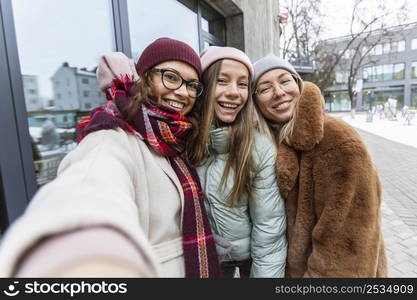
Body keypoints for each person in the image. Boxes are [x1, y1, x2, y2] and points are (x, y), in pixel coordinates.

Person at [0, 38, 221, 278]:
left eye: (192, 85)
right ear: (145, 77)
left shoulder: (176, 140)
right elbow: (89, 188)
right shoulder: (111, 136)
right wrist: (82, 252)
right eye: (170, 76)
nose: (182, 91)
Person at [251, 55, 387, 277]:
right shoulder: (270, 143)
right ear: (255, 102)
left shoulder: (337, 142)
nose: (278, 92)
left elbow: (345, 249)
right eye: (265, 88)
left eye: (285, 81)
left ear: (298, 85)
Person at [187, 47, 287, 278]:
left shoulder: (259, 149)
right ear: (203, 87)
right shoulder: (184, 141)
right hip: (201, 259)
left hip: (246, 265)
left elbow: (269, 231)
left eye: (242, 84)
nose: (234, 92)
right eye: (222, 80)